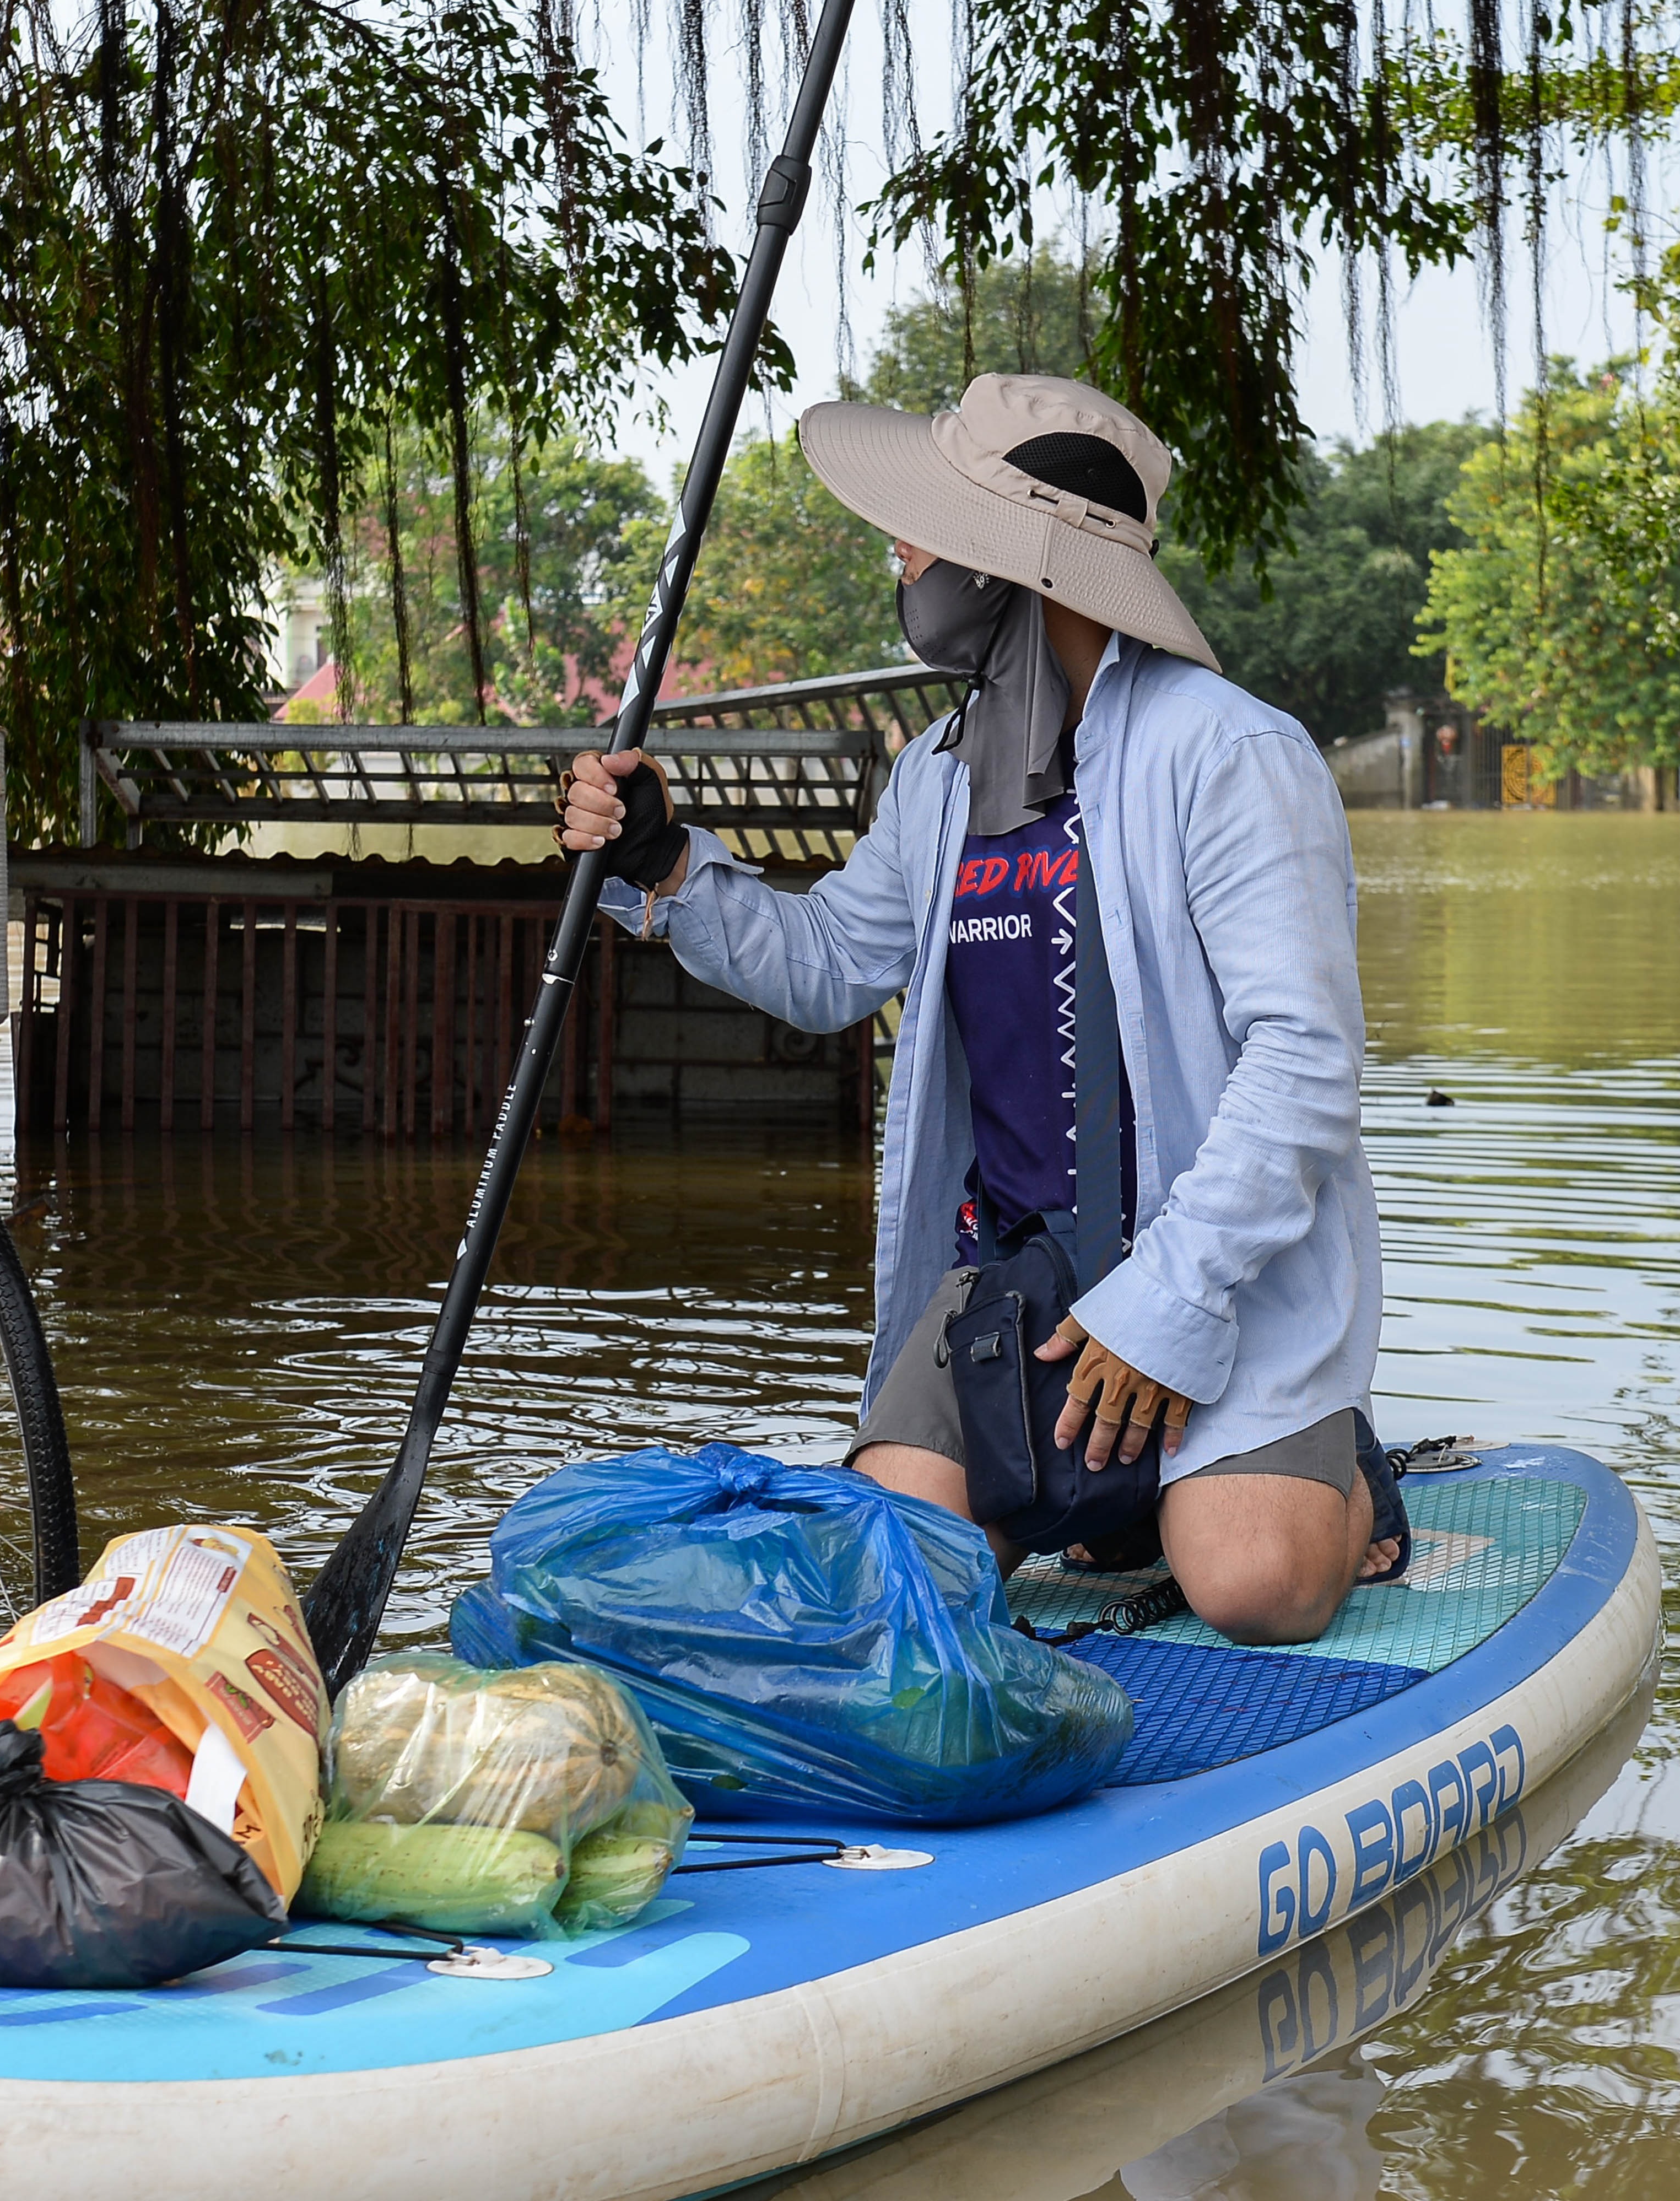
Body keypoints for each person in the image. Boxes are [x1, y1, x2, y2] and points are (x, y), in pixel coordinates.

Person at [558, 375, 1392, 1646]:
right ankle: (1105, 1493)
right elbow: (833, 960)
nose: (898, 551)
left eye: (925, 523)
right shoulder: (937, 776)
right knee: (886, 1592)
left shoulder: (1229, 755)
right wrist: (666, 867)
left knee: (1253, 1587)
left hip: (1216, 1287)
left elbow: (1307, 1065)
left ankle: (1340, 1470)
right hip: (1013, 1288)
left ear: (1012, 561)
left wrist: (1162, 1308)